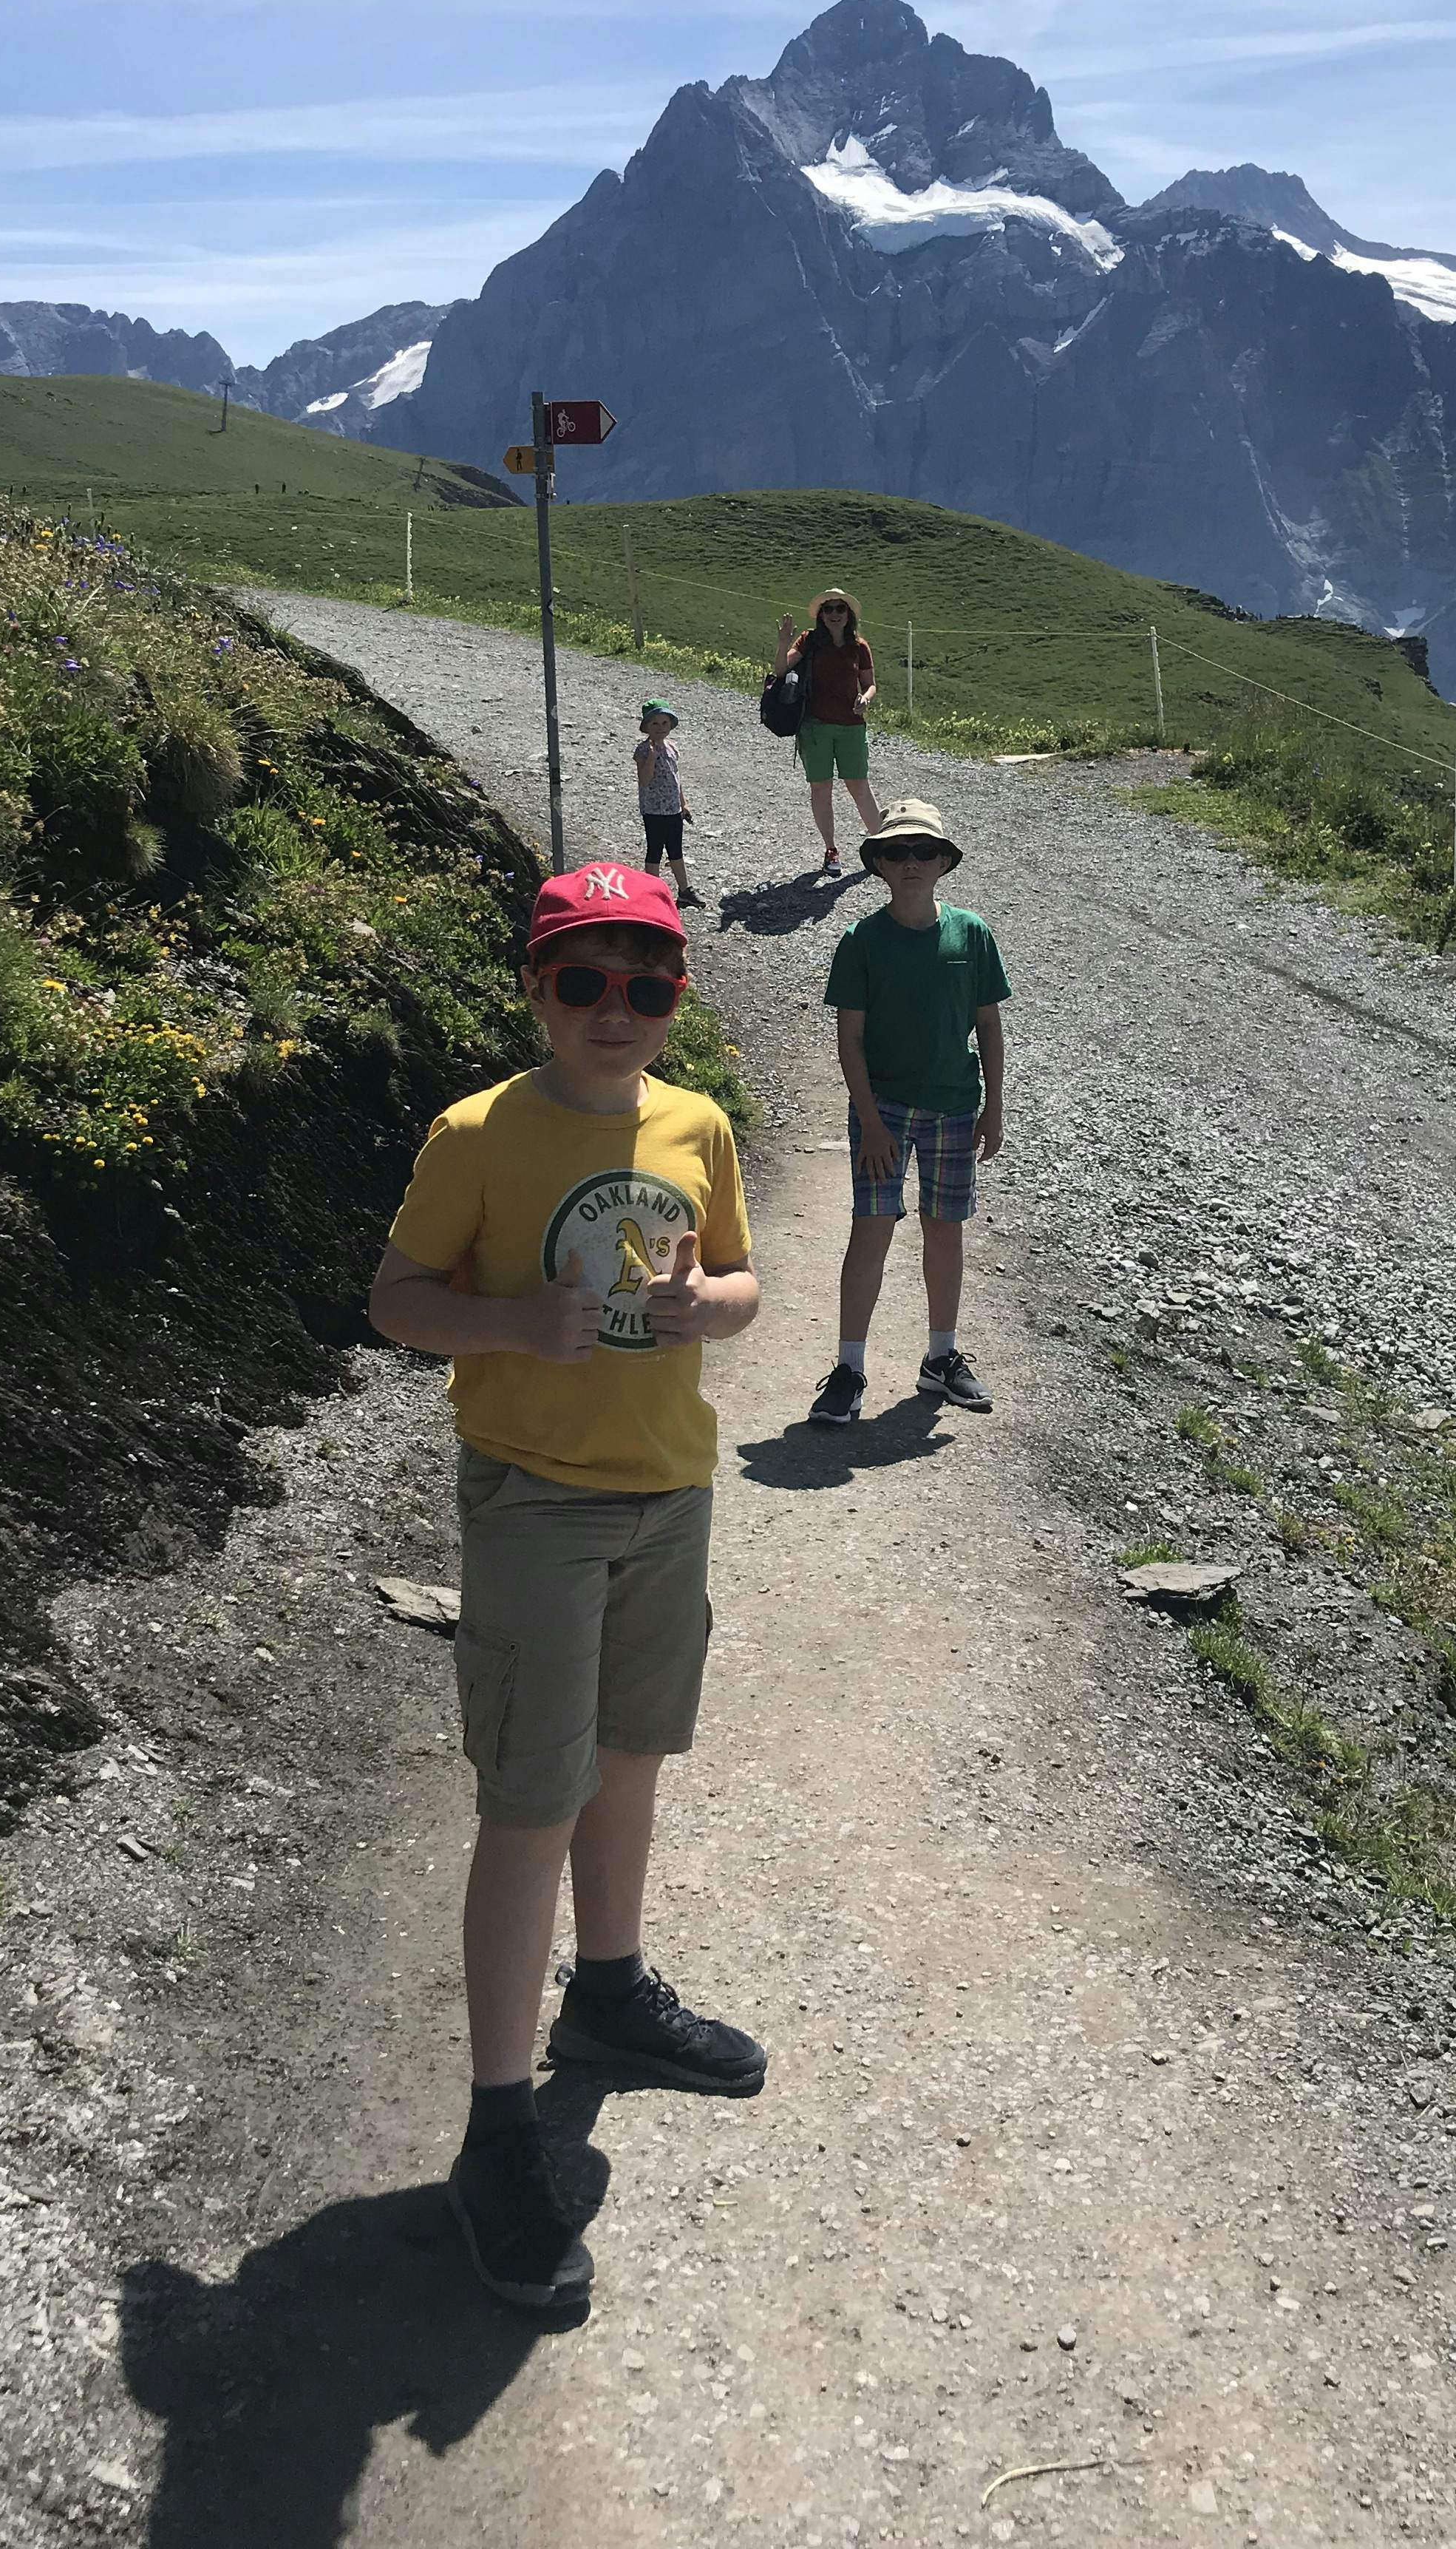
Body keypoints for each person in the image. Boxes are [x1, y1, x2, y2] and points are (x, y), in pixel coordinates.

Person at [365, 861, 763, 2315]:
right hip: (534, 1500)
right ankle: (494, 2130)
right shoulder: (478, 1134)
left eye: (646, 983)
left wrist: (706, 1306)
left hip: (672, 1491)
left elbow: (738, 1284)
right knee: (530, 1802)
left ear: (674, 1001)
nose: (617, 1009)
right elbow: (397, 1299)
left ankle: (606, 1994)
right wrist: (516, 1326)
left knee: (631, 1763)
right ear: (536, 988)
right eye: (583, 980)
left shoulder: (698, 1124)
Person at [807, 796, 1008, 1428]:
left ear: (944, 861)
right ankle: (849, 1367)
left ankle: (941, 1358)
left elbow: (989, 1025)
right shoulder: (860, 940)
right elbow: (850, 1039)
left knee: (944, 1228)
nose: (911, 861)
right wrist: (868, 1119)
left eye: (924, 851)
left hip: (955, 1106)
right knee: (872, 1227)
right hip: (884, 1112)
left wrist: (995, 1103)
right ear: (879, 865)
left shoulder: (972, 934)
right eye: (897, 851)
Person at [772, 588, 877, 877]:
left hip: (852, 727)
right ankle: (831, 849)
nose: (834, 614)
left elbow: (870, 684)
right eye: (828, 609)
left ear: (848, 615)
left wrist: (865, 698)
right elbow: (781, 671)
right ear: (821, 615)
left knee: (859, 786)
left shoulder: (859, 646)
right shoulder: (809, 641)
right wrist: (783, 644)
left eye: (839, 609)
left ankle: (880, 844)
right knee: (822, 788)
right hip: (815, 726)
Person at [632, 698, 701, 908]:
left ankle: (684, 891)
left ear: (670, 725)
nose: (660, 728)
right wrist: (651, 758)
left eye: (664, 723)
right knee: (655, 850)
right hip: (653, 811)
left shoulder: (672, 748)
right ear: (647, 727)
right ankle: (650, 892)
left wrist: (684, 803)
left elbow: (676, 779)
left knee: (676, 850)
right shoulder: (643, 751)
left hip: (672, 809)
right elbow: (644, 780)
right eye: (655, 724)